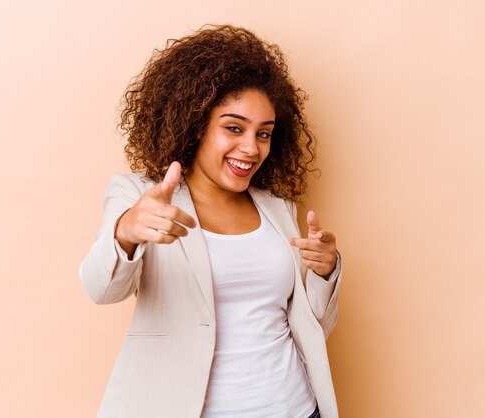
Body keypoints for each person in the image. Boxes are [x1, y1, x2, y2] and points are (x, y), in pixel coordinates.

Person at [79, 24, 342, 418]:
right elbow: (101, 289)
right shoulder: (138, 194)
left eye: (264, 133)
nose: (251, 148)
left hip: (296, 407)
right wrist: (128, 231)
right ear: (196, 123)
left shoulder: (277, 208)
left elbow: (312, 325)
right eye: (233, 128)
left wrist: (325, 271)